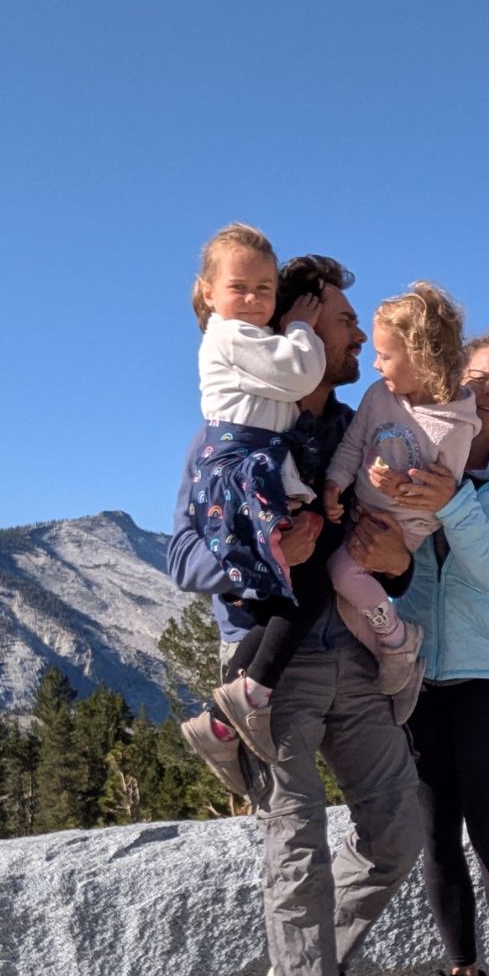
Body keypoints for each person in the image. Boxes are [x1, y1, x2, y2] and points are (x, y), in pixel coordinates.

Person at [167, 253, 423, 976]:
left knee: (396, 833)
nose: (357, 338)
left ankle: (309, 969)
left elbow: (392, 549)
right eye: (346, 321)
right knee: (296, 847)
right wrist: (268, 552)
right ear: (304, 323)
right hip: (276, 667)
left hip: (351, 653)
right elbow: (184, 556)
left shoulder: (357, 428)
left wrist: (396, 567)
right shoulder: (233, 435)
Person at [372, 335, 489, 976]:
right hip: (418, 672)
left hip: (486, 678)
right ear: (455, 385)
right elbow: (387, 559)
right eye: (478, 377)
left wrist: (454, 503)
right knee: (437, 837)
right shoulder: (412, 449)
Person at [181, 224, 331, 773]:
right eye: (240, 287)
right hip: (244, 469)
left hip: (257, 466)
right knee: (299, 586)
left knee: (284, 593)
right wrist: (300, 327)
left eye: (264, 289)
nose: (252, 300)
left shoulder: (245, 339)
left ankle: (225, 716)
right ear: (208, 292)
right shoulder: (230, 336)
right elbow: (297, 374)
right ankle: (240, 703)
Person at [323, 282, 479, 698]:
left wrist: (400, 487)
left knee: (342, 574)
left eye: (385, 356)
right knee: (349, 606)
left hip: (402, 527)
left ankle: (398, 639)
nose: (376, 365)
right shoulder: (379, 397)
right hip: (361, 511)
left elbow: (439, 497)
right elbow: (354, 443)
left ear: (423, 359)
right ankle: (396, 665)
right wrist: (336, 482)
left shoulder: (453, 426)